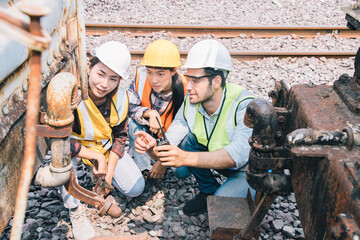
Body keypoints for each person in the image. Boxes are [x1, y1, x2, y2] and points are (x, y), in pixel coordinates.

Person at [134, 39, 256, 216]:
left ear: (216, 81)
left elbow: (236, 156)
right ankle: (208, 190)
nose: (188, 86)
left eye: (195, 80)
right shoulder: (192, 101)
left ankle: (242, 192)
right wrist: (152, 149)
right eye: (188, 79)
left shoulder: (244, 106)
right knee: (186, 146)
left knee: (221, 203)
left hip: (246, 170)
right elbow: (172, 139)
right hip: (217, 159)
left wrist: (185, 157)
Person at [60, 41, 145, 240]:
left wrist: (108, 176)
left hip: (104, 149)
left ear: (119, 80)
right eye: (100, 74)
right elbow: (60, 141)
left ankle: (96, 175)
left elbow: (120, 137)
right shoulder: (71, 95)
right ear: (89, 67)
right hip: (74, 150)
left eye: (113, 79)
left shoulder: (122, 99)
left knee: (135, 189)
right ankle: (75, 210)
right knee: (62, 161)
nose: (104, 84)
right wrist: (97, 157)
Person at [127, 39, 187, 180]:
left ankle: (160, 160)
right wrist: (149, 113)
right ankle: (145, 171)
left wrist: (163, 162)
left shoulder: (186, 89)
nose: (153, 80)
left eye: (160, 74)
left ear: (173, 71)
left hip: (171, 138)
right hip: (148, 131)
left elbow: (185, 126)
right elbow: (130, 107)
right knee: (133, 125)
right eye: (149, 72)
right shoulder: (140, 76)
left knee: (181, 172)